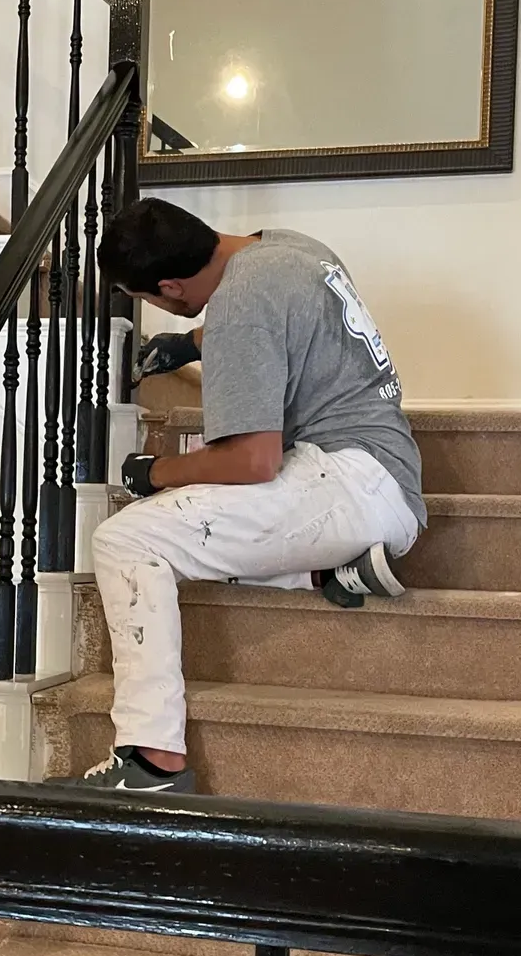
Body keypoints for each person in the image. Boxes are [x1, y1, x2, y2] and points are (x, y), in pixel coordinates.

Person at [81, 198, 426, 794]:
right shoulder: (285, 247)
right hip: (380, 481)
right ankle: (327, 573)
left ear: (168, 286)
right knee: (199, 532)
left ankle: (151, 762)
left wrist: (155, 471)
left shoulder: (240, 304)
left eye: (149, 299)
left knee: (127, 539)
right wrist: (192, 345)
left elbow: (252, 461)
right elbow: (267, 316)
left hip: (345, 483)